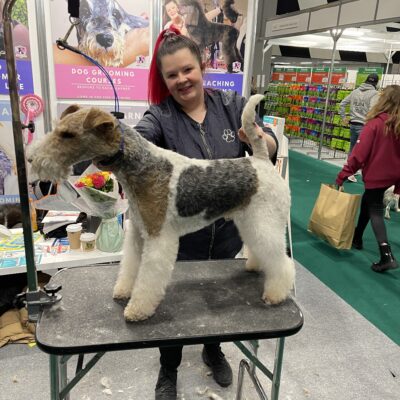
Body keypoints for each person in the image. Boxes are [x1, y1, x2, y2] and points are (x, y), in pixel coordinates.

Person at [134, 27, 278, 400]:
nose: (181, 80)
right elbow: (139, 139)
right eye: (172, 75)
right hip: (184, 240)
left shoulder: (231, 105)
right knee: (172, 309)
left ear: (201, 67)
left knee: (217, 303)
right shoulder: (159, 117)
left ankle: (214, 350)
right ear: (163, 80)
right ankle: (168, 369)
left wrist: (260, 139)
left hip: (228, 235)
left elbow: (271, 147)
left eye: (187, 70)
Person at [336, 85, 400, 273]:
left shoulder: (374, 124)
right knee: (370, 200)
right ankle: (357, 237)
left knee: (376, 210)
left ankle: (386, 255)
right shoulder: (397, 124)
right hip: (392, 176)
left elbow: (358, 155)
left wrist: (343, 175)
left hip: (376, 175)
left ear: (383, 100)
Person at [339, 73, 379, 182]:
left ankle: (350, 170)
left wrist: (343, 117)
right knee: (365, 151)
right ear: (376, 83)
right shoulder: (375, 94)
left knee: (353, 148)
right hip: (365, 126)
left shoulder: (355, 91)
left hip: (353, 124)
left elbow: (342, 104)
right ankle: (351, 173)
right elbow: (372, 110)